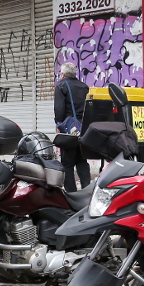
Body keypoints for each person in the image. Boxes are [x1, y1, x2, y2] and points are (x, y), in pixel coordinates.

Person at [54, 63, 91, 192]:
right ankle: (87, 190)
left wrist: (59, 124)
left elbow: (59, 109)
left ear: (63, 74)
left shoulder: (62, 85)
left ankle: (72, 194)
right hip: (84, 129)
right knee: (82, 161)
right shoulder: (84, 87)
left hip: (69, 129)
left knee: (67, 163)